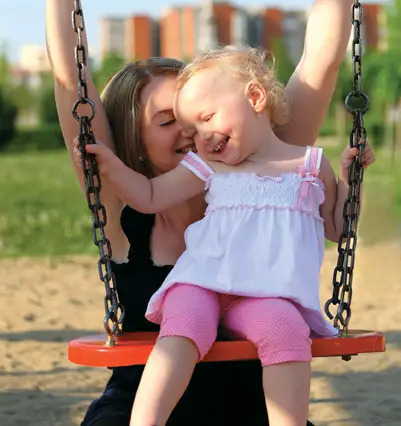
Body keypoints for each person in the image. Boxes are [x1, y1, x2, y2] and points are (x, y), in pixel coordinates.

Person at [43, 0, 380, 426]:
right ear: (130, 141)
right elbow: (71, 82)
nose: (194, 136)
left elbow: (323, 58)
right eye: (168, 121)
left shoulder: (253, 165)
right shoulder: (126, 205)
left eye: (201, 118)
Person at [85, 47, 375, 426]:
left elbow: (337, 229)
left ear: (255, 98)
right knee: (184, 323)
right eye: (191, 131)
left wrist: (351, 181)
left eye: (206, 119)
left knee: (286, 328)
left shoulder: (311, 166)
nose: (200, 137)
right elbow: (148, 196)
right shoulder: (209, 165)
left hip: (262, 295)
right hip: (202, 283)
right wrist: (108, 165)